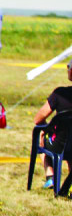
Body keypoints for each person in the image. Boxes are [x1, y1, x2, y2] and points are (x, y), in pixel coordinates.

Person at [31, 60, 72, 190]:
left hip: (60, 145)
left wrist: (48, 128)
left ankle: (50, 177)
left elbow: (38, 119)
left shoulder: (59, 94)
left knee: (42, 137)